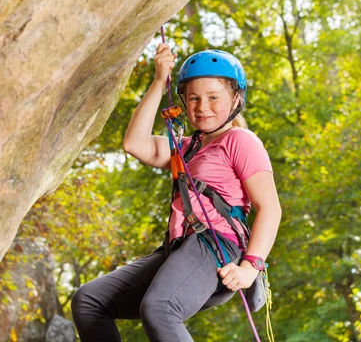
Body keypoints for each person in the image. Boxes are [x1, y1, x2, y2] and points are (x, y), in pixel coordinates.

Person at [71, 43, 282, 341]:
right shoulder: (185, 147)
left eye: (213, 97)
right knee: (90, 301)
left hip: (216, 247)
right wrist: (159, 82)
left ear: (236, 99)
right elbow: (134, 143)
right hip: (180, 249)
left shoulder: (240, 141)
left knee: (160, 308)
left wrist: (250, 266)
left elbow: (270, 209)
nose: (202, 106)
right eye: (193, 98)